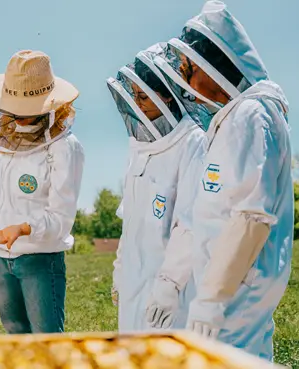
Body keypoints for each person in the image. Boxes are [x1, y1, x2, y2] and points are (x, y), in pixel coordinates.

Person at [148, 0, 293, 360]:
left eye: (191, 69)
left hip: (236, 291)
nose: (186, 82)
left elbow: (249, 218)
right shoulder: (234, 118)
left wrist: (213, 299)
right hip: (228, 286)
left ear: (217, 66)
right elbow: (205, 213)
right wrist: (171, 282)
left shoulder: (250, 115)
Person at [0, 50, 85, 334]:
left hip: (39, 259)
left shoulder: (65, 147)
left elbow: (62, 217)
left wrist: (24, 228)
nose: (18, 114)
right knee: (16, 340)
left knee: (46, 342)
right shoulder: (3, 139)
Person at [105, 43, 209, 333]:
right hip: (134, 283)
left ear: (169, 96)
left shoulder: (193, 144)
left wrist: (169, 285)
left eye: (145, 97)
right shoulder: (139, 147)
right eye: (135, 96)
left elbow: (189, 224)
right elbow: (131, 222)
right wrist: (119, 271)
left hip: (170, 289)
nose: (138, 105)